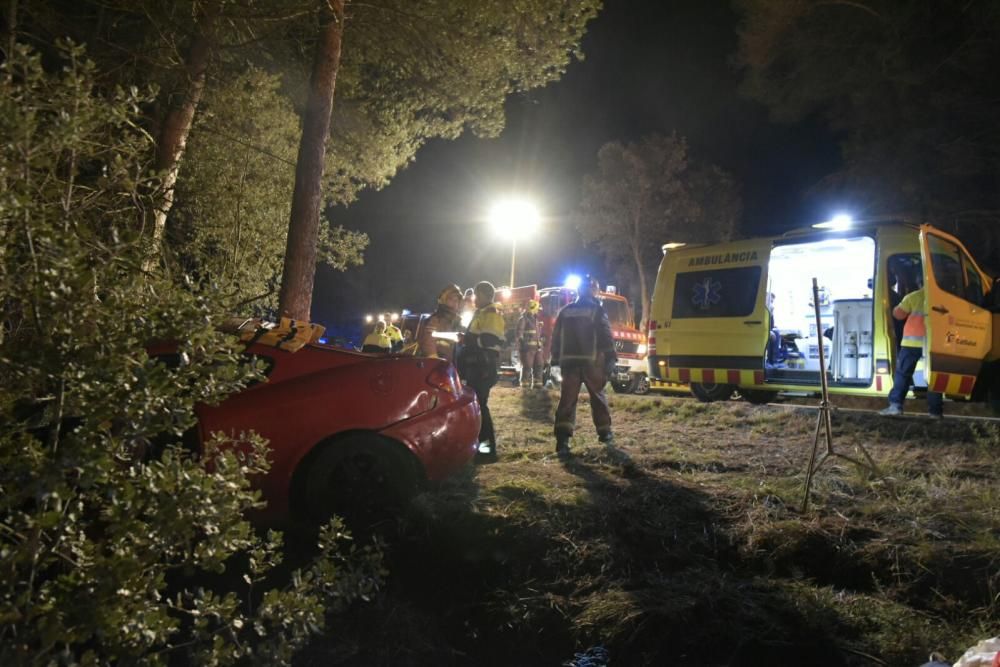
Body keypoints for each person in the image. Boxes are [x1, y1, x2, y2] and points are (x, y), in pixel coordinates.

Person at [550, 275, 617, 456]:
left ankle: (562, 440)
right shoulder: (597, 310)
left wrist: (555, 362)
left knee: (567, 401)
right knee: (598, 398)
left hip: (569, 364)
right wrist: (611, 357)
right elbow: (605, 334)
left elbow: (555, 339)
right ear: (593, 290)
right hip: (592, 362)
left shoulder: (565, 311)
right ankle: (605, 434)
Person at [879, 285, 943, 419]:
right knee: (933, 378)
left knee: (903, 374)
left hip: (912, 343)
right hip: (933, 344)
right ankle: (935, 412)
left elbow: (898, 314)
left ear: (920, 283)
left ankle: (895, 406)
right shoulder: (943, 297)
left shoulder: (914, 296)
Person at [461, 281, 505, 462]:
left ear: (487, 295)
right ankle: (481, 448)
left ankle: (487, 451)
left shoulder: (491, 313)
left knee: (480, 406)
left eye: (477, 295)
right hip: (477, 365)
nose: (474, 299)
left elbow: (489, 339)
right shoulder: (482, 312)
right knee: (478, 405)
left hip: (483, 366)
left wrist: (469, 340)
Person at [417, 284, 463, 363]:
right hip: (439, 367)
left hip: (454, 367)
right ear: (444, 300)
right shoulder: (435, 319)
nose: (455, 302)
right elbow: (428, 343)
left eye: (457, 300)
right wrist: (435, 359)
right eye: (451, 299)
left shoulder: (459, 321)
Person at [516, 299, 544, 389]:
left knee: (539, 365)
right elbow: (519, 333)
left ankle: (537, 386)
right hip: (528, 348)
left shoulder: (535, 319)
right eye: (537, 308)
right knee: (527, 366)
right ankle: (525, 387)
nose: (538, 310)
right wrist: (523, 345)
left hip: (537, 348)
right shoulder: (524, 319)